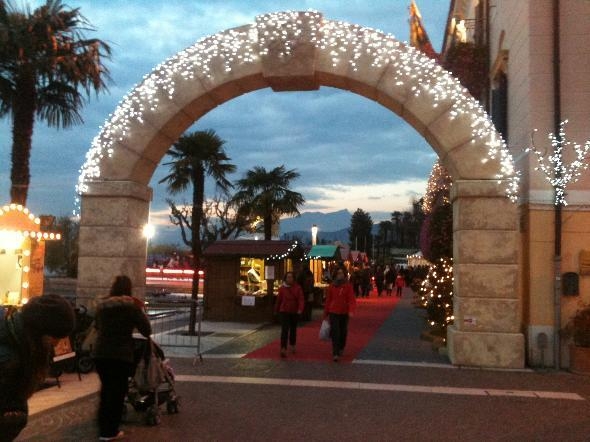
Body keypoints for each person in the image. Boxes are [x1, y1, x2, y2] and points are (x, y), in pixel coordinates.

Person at [0, 294, 75, 442]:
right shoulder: (9, 359)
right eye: (56, 337)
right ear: (41, 331)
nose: (56, 344)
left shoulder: (20, 343)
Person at [93, 275, 151, 441]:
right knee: (117, 392)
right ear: (129, 288)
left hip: (101, 353)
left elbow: (97, 326)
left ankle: (103, 428)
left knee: (106, 390)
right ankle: (110, 431)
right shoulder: (131, 306)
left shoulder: (102, 306)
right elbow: (146, 330)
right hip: (120, 354)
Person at [323, 267, 356, 362]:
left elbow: (351, 300)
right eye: (338, 273)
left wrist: (351, 311)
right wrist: (326, 313)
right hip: (333, 311)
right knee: (335, 332)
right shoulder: (332, 286)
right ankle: (335, 352)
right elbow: (328, 300)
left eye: (341, 273)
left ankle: (341, 347)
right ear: (335, 275)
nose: (340, 275)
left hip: (344, 312)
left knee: (343, 332)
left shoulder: (348, 286)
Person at [274, 272, 304, 358]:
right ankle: (283, 348)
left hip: (294, 311)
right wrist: (276, 310)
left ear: (293, 278)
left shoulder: (297, 288)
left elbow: (301, 299)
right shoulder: (282, 288)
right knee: (285, 329)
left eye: (291, 277)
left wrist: (300, 310)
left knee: (293, 329)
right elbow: (279, 300)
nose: (289, 279)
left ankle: (292, 344)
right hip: (284, 311)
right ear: (285, 278)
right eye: (288, 277)